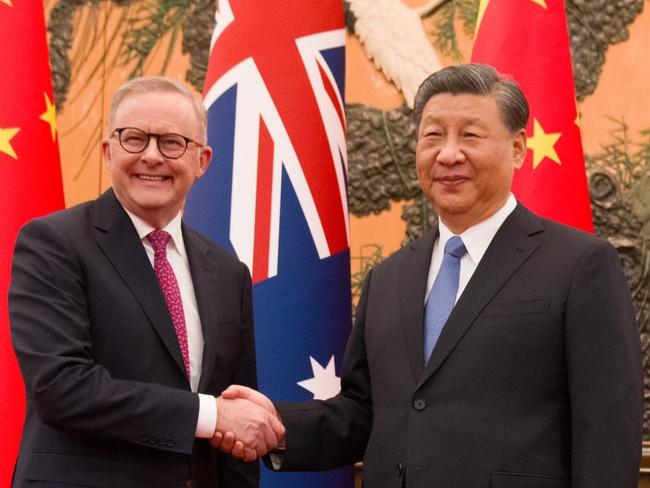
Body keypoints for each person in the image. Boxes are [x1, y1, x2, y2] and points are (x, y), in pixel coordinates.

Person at [215, 64, 644, 487]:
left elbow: (606, 430)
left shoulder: (580, 263)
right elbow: (366, 411)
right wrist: (278, 425)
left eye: (470, 136)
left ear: (517, 148)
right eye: (433, 135)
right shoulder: (389, 277)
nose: (449, 153)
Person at [8, 76, 283, 488]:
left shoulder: (228, 273)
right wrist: (209, 415)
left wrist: (225, 421)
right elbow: (61, 388)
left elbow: (234, 420)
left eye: (172, 142)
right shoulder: (53, 242)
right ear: (108, 152)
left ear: (202, 160)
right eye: (134, 138)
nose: (152, 156)